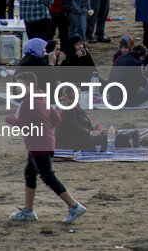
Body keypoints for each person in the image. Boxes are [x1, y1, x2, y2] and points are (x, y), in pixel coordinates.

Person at [6, 71, 87, 224]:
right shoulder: (41, 97)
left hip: (39, 145)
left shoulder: (29, 102)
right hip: (44, 143)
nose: (17, 88)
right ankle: (28, 211)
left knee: (47, 177)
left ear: (28, 86)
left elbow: (21, 125)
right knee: (30, 173)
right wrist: (48, 131)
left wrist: (8, 118)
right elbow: (56, 118)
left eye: (19, 85)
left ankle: (74, 206)